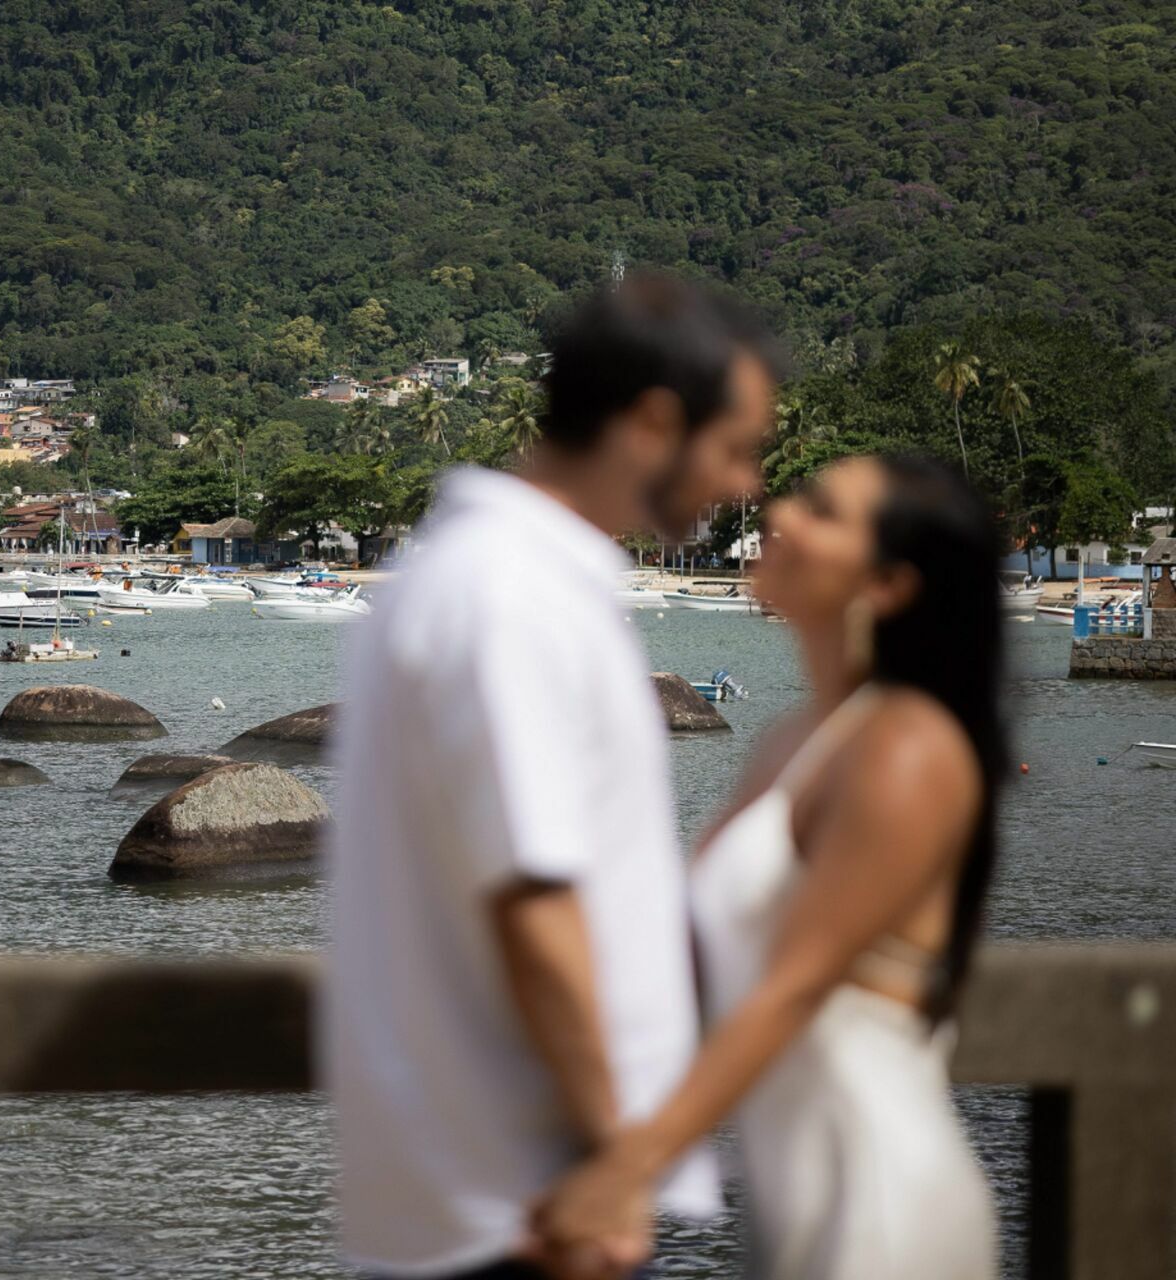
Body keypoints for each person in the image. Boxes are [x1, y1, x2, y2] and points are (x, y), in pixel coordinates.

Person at [324, 273, 779, 1280]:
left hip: (511, 1193)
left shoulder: (498, 578)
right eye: (737, 448)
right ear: (655, 423)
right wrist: (620, 1156)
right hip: (534, 1207)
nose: (747, 484)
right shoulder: (512, 595)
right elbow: (534, 898)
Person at [529, 455, 1005, 1279]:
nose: (781, 508)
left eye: (820, 509)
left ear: (887, 584)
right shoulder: (797, 739)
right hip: (795, 1202)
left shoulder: (906, 750)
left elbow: (795, 986)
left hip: (881, 1204)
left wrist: (629, 1167)